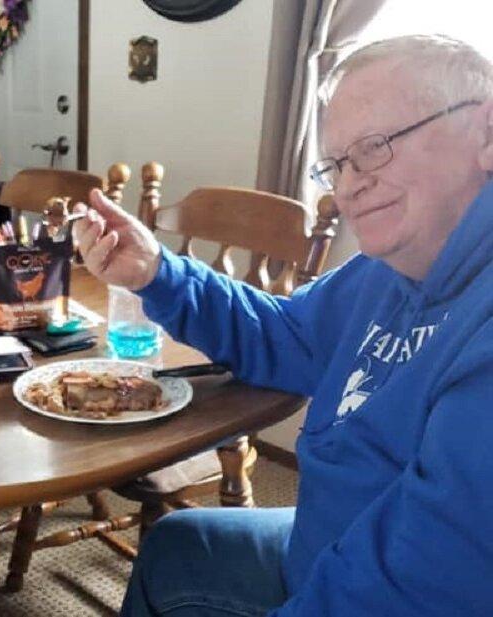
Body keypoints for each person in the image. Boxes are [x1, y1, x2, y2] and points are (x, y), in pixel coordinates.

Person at [73, 34, 493, 616]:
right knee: (176, 542)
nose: (348, 186)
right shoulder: (385, 270)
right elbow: (284, 334)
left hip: (376, 586)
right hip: (324, 543)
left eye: (375, 147)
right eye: (336, 165)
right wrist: (157, 273)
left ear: (486, 132)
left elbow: (418, 588)